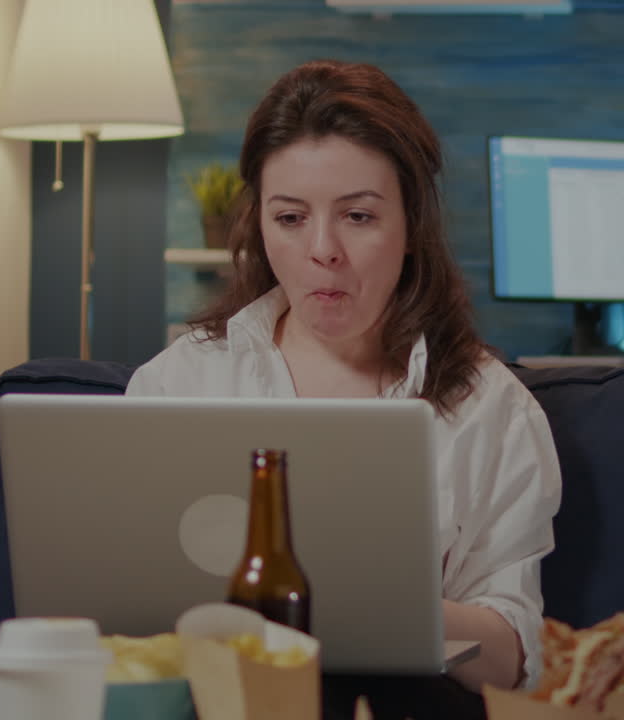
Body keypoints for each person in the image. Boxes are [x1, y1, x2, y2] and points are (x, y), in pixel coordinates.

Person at [126, 58, 562, 719]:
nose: (322, 249)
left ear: (412, 226)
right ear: (258, 223)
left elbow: (515, 657)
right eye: (291, 218)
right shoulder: (181, 381)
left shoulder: (491, 409)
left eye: (357, 217)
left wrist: (390, 608)